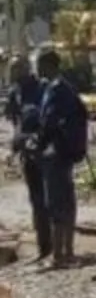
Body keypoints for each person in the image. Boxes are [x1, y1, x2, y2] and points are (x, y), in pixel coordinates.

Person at [32, 50, 88, 267]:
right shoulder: (65, 88)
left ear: (47, 64)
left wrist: (36, 143)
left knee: (56, 203)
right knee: (66, 201)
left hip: (56, 154)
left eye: (38, 64)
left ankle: (59, 255)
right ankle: (67, 251)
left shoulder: (55, 90)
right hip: (64, 153)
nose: (36, 69)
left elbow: (49, 123)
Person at [5, 57, 49, 259]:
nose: (12, 73)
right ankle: (43, 246)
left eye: (15, 69)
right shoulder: (15, 93)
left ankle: (53, 246)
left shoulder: (42, 88)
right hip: (26, 151)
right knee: (36, 199)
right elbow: (15, 121)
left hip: (44, 150)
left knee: (48, 198)